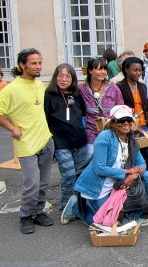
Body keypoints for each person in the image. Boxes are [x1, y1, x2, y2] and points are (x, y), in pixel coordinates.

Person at [61, 105, 148, 226]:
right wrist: (128, 172)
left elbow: (141, 163)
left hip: (117, 182)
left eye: (129, 120)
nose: (126, 123)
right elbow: (100, 169)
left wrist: (134, 176)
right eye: (121, 120)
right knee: (106, 226)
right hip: (99, 185)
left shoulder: (131, 139)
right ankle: (76, 207)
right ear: (113, 122)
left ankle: (133, 217)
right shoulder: (104, 137)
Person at [0, 48, 54, 234]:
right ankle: (25, 216)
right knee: (31, 183)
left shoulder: (40, 85)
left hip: (46, 141)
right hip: (26, 144)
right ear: (22, 65)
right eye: (33, 63)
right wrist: (12, 128)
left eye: (39, 62)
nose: (38, 66)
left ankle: (38, 212)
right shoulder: (11, 89)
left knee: (44, 183)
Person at [44, 63, 88, 210]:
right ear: (55, 78)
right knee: (68, 176)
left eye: (68, 76)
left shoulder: (76, 94)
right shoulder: (49, 95)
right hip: (61, 143)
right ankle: (66, 206)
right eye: (60, 76)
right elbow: (46, 118)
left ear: (73, 78)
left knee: (80, 175)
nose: (64, 79)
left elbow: (82, 112)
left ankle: (80, 205)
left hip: (80, 141)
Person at [79, 57, 124, 157]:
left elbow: (121, 110)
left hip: (111, 133)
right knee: (92, 162)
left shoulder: (113, 88)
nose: (103, 72)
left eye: (104, 69)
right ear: (90, 70)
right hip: (91, 134)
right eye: (99, 69)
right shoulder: (82, 89)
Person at [116, 57, 148, 129]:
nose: (138, 73)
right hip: (129, 126)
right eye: (135, 70)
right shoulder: (119, 87)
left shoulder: (142, 87)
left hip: (145, 125)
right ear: (126, 70)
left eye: (140, 70)